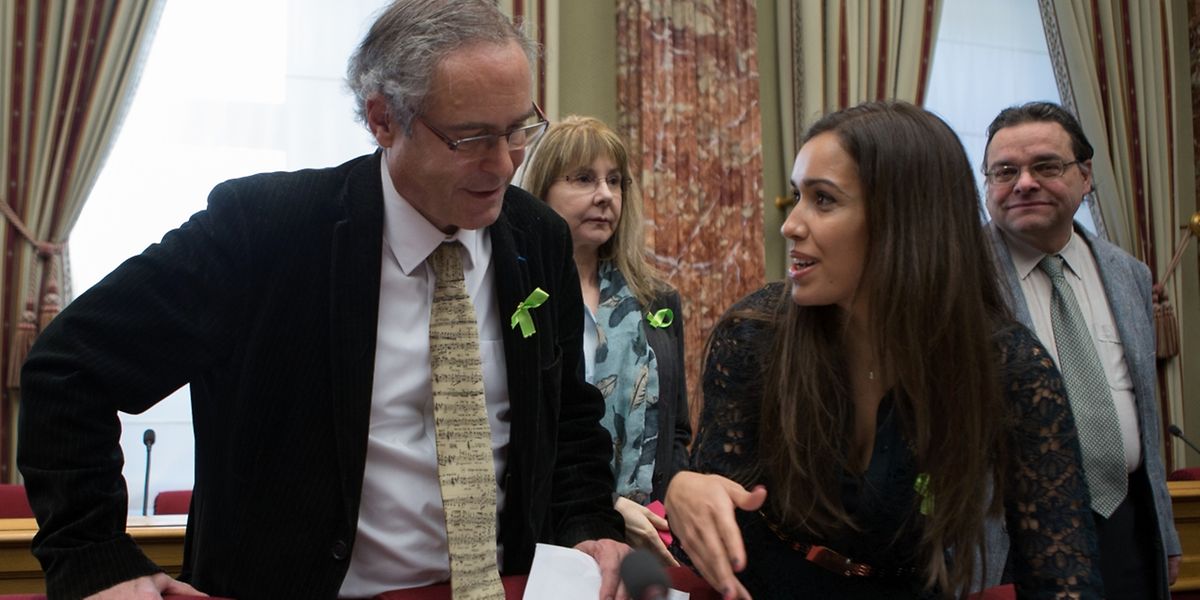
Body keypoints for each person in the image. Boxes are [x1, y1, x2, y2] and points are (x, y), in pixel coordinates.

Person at [16, 1, 630, 598]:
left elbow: (567, 415)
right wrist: (94, 557)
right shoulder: (265, 231)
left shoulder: (537, 237)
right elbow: (70, 369)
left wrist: (589, 525)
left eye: (517, 129)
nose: (502, 165)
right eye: (469, 138)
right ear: (383, 119)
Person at [664, 101, 1103, 599]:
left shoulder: (1006, 365)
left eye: (823, 200)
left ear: (906, 219)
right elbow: (707, 536)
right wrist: (684, 491)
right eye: (798, 195)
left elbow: (1062, 576)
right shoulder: (755, 334)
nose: (791, 224)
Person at [982, 101, 1181, 599]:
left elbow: (1146, 414)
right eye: (1005, 171)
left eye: (1046, 166)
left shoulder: (1129, 274)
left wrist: (1165, 532)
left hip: (1128, 528)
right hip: (1013, 538)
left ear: (1086, 176)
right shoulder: (957, 278)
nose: (1024, 183)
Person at [522, 116, 690, 567]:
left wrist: (664, 513)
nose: (605, 195)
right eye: (583, 178)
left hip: (651, 538)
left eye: (614, 181)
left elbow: (675, 431)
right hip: (548, 538)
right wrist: (608, 509)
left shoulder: (657, 300)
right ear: (540, 191)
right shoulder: (520, 297)